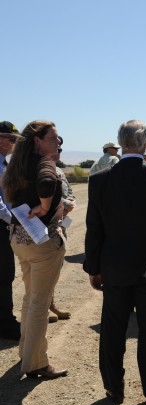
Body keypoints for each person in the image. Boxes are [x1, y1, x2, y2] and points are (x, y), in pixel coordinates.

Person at [84, 120, 146, 405]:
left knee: (113, 329)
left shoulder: (100, 179)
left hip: (113, 268)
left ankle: (114, 388)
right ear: (145, 145)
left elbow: (94, 228)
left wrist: (94, 267)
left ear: (120, 142)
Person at [2, 120, 67, 379]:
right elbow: (47, 182)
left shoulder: (17, 164)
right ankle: (37, 364)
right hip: (43, 243)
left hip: (19, 238)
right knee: (39, 303)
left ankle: (26, 353)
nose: (57, 143)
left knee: (30, 299)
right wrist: (44, 205)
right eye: (53, 138)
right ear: (37, 141)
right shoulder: (44, 163)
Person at [48, 140, 74, 321]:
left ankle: (50, 304)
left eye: (60, 149)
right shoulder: (38, 171)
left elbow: (70, 192)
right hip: (44, 230)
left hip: (59, 226)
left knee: (55, 269)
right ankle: (42, 309)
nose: (58, 152)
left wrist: (69, 204)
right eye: (56, 148)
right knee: (42, 270)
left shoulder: (58, 171)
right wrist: (63, 205)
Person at [0, 121, 21, 341]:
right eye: (11, 139)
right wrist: (13, 219)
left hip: (4, 223)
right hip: (2, 224)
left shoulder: (5, 164)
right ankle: (5, 324)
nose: (14, 143)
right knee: (4, 275)